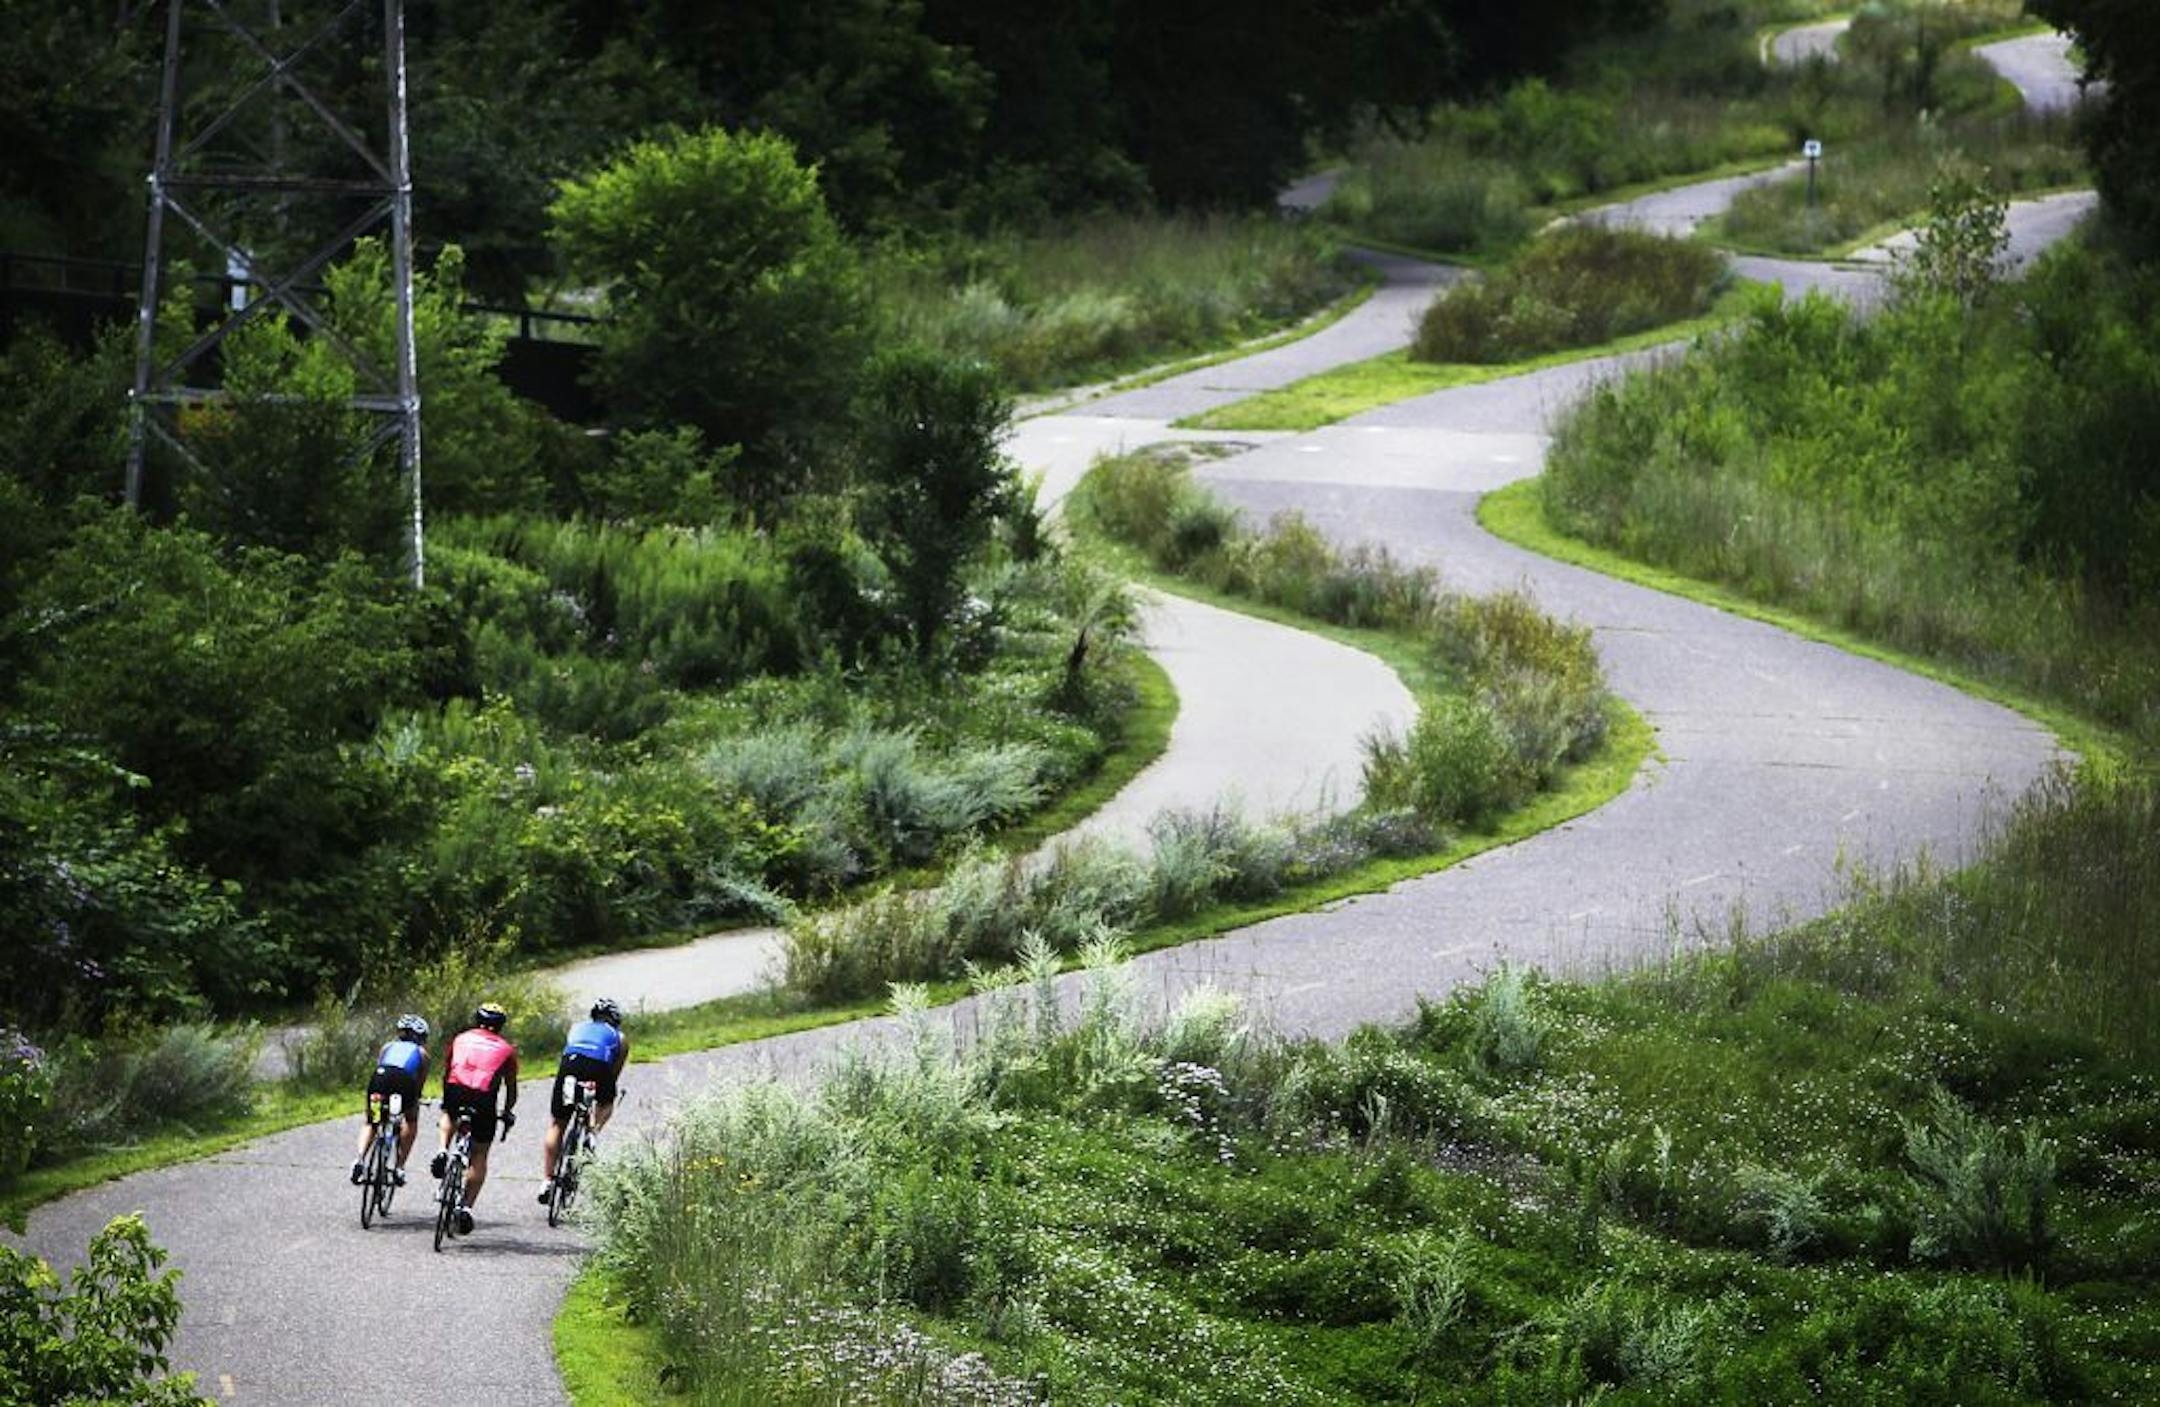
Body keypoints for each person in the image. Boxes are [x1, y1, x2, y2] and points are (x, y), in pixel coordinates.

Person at [431, 1002, 518, 1233]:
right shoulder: (507, 1049)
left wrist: (446, 1094)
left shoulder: (460, 1038)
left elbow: (447, 1069)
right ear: (500, 1026)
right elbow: (510, 1087)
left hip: (456, 1088)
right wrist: (508, 1111)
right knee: (480, 1151)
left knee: (449, 1113)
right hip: (484, 1097)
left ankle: (442, 1149)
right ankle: (467, 1207)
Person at [539, 998, 629, 1203]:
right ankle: (592, 1133)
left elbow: (569, 1051)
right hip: (599, 1067)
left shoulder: (575, 1028)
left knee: (558, 1123)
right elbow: (614, 1071)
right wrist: (603, 1093)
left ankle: (547, 1180)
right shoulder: (619, 1037)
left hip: (570, 1066)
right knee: (607, 1102)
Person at [351, 1014, 428, 1187]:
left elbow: (381, 1065)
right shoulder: (422, 1053)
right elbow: (419, 1085)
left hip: (380, 1079)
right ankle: (399, 1167)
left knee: (373, 1121)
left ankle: (360, 1159)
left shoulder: (387, 1047)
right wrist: (416, 1099)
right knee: (411, 1119)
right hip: (405, 1081)